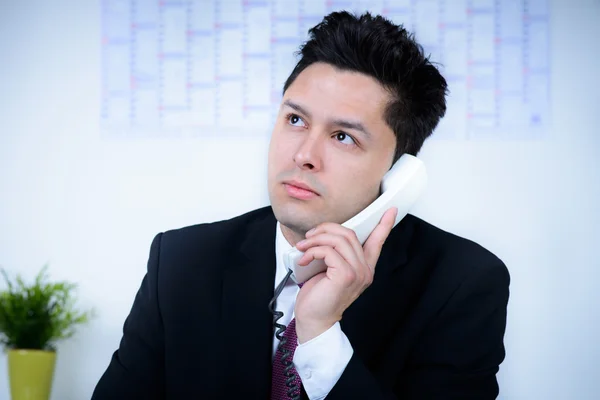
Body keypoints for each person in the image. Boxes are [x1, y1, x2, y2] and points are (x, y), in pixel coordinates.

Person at [92, 10, 510, 400]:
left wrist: (320, 336)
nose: (304, 154)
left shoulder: (462, 284)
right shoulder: (181, 262)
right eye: (296, 120)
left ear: (398, 174)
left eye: (343, 136)